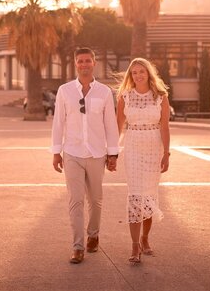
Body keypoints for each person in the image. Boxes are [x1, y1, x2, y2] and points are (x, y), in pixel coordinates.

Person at [51, 47, 119, 264]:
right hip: (71, 152)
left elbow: (111, 125)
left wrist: (113, 153)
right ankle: (78, 246)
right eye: (80, 61)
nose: (84, 64)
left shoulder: (104, 92)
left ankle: (93, 234)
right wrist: (55, 152)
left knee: (96, 200)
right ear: (75, 64)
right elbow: (58, 122)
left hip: (97, 154)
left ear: (94, 63)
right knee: (75, 200)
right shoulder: (65, 91)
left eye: (88, 60)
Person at [117, 58, 170, 264]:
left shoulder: (161, 97)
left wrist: (166, 153)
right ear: (131, 76)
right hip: (132, 147)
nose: (138, 75)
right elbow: (118, 126)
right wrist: (111, 153)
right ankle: (134, 245)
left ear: (149, 74)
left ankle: (145, 238)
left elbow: (164, 127)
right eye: (134, 72)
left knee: (148, 194)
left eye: (142, 72)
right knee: (135, 194)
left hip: (153, 148)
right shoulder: (125, 97)